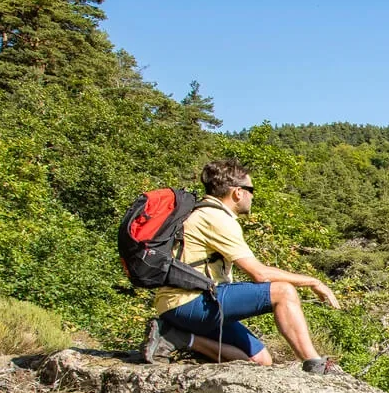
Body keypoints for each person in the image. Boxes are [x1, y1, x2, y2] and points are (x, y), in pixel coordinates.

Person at [141, 158, 342, 373]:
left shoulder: (205, 212)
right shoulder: (216, 218)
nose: (253, 196)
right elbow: (260, 274)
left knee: (260, 361)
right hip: (189, 303)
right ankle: (314, 364)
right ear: (238, 192)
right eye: (251, 190)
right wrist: (313, 281)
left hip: (185, 305)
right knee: (283, 291)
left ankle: (178, 337)